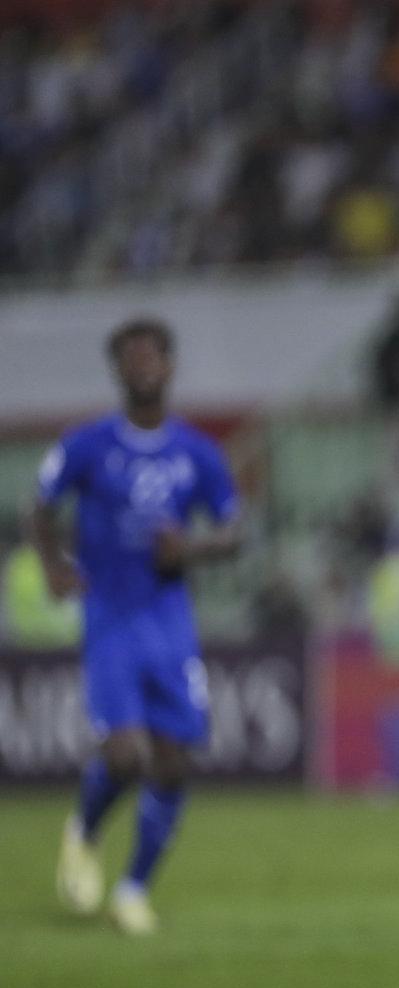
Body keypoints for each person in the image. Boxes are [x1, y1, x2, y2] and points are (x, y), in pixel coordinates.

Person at [32, 318, 242, 935]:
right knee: (126, 755)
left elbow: (233, 530)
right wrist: (51, 567)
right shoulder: (87, 445)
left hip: (170, 620)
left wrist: (192, 550)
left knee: (174, 762)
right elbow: (40, 507)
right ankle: (86, 828)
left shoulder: (198, 453)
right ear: (118, 369)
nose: (143, 365)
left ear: (171, 366)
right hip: (111, 618)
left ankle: (132, 889)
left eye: (153, 355)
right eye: (131, 356)